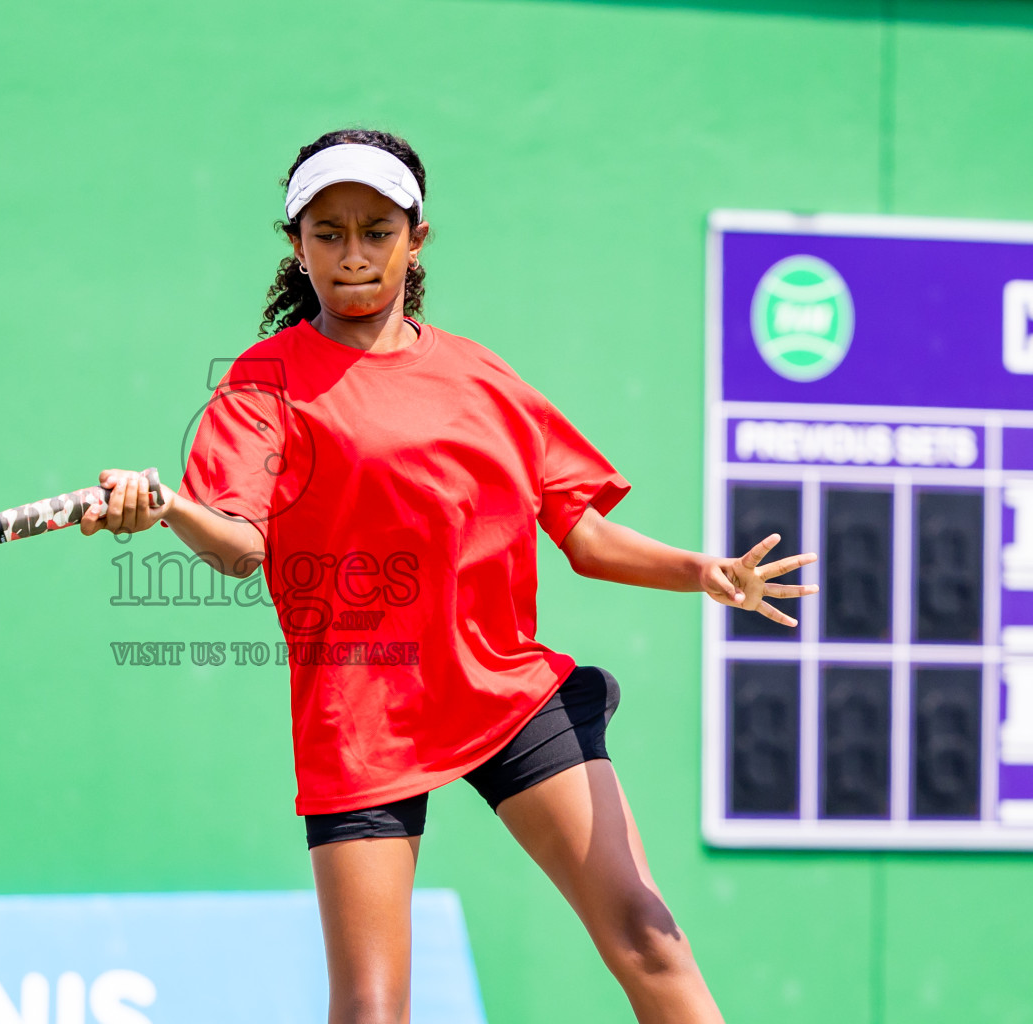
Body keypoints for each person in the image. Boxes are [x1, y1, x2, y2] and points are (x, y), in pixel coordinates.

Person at [80, 128, 817, 1024]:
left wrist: (702, 571)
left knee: (649, 937)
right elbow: (240, 543)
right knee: (371, 1009)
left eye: (377, 230)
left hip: (505, 690)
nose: (353, 255)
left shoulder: (480, 378)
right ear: (297, 245)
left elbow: (579, 532)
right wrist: (163, 508)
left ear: (416, 237)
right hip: (362, 714)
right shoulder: (262, 383)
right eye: (328, 232)